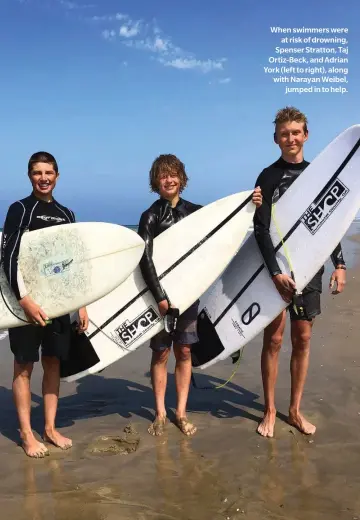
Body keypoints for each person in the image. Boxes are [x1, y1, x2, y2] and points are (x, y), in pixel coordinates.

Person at [138, 154, 262, 437]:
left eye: (173, 175)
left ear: (181, 178)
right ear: (155, 182)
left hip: (188, 294)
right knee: (160, 354)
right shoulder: (150, 216)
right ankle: (159, 413)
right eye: (162, 176)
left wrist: (250, 205)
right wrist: (159, 296)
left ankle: (180, 412)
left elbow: (224, 225)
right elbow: (145, 259)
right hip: (159, 298)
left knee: (183, 351)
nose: (168, 180)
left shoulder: (196, 212)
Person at [253, 107, 346, 438]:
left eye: (296, 132)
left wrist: (339, 264)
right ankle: (269, 410)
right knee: (274, 339)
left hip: (309, 269)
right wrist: (275, 272)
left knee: (302, 338)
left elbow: (329, 225)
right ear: (276, 139)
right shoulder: (267, 177)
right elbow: (261, 230)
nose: (290, 138)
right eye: (284, 134)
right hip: (275, 273)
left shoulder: (318, 176)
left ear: (306, 135)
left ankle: (294, 410)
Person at [1, 152, 89, 458]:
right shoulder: (20, 209)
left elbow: (73, 263)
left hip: (59, 304)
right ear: (30, 176)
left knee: (53, 363)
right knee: (24, 367)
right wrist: (24, 301)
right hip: (26, 306)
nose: (44, 178)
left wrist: (81, 305)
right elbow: (8, 259)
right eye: (38, 173)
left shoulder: (66, 214)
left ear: (57, 175)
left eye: (49, 172)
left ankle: (50, 428)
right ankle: (27, 434)